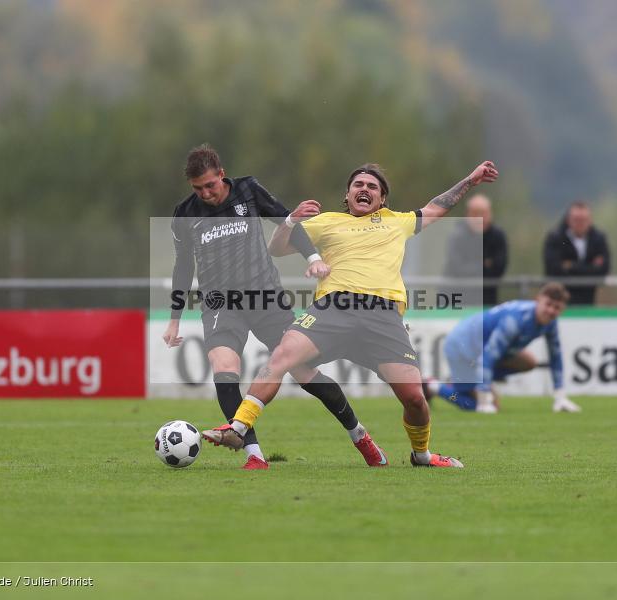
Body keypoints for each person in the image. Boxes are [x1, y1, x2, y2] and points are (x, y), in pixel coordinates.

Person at [202, 159, 499, 468]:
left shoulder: (397, 221)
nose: (364, 189)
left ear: (382, 198)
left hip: (383, 316)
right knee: (282, 356)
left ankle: (422, 455)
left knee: (414, 398)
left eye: (372, 187)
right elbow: (277, 248)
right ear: (347, 195)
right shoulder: (327, 221)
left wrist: (470, 180)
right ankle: (239, 426)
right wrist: (288, 222)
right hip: (334, 308)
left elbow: (437, 207)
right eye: (358, 185)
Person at [164, 144, 384, 470]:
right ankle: (254, 456)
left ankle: (359, 435)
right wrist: (174, 319)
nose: (206, 194)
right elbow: (183, 268)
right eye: (198, 189)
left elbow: (289, 222)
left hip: (266, 298)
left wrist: (313, 258)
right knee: (224, 368)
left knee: (304, 371)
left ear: (221, 175)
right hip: (220, 305)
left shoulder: (248, 190)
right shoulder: (185, 214)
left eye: (210, 185)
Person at [424, 283, 581, 414]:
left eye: (557, 308)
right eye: (548, 304)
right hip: (461, 348)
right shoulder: (515, 320)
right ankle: (433, 386)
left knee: (529, 362)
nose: (551, 311)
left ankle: (468, 382)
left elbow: (556, 356)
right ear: (538, 300)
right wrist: (484, 399)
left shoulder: (550, 323)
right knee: (474, 404)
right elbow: (489, 355)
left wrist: (560, 397)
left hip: (480, 352)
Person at [442, 194, 508, 306]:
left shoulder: (498, 236)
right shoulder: (457, 236)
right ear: (468, 214)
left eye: (484, 213)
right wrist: (484, 265)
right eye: (476, 213)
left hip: (487, 301)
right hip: (456, 301)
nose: (480, 217)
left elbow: (499, 268)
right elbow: (456, 268)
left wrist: (472, 266)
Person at [543, 201, 610, 305]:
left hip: (588, 300)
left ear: (590, 220)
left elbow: (603, 270)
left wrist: (570, 266)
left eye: (583, 220)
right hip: (557, 302)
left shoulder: (598, 239)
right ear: (568, 220)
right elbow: (553, 269)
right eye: (576, 220)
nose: (580, 223)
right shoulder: (556, 238)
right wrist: (590, 268)